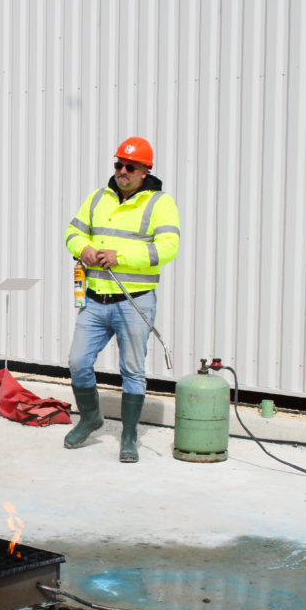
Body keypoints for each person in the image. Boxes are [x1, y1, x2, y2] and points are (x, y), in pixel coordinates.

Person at [63, 137, 180, 462]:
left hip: (134, 302)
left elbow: (168, 247)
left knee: (132, 370)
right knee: (78, 362)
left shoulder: (160, 203)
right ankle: (90, 417)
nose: (122, 171)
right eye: (118, 164)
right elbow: (72, 232)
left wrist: (121, 256)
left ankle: (129, 437)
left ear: (145, 171)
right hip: (95, 299)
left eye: (130, 167)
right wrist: (81, 248)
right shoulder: (97, 198)